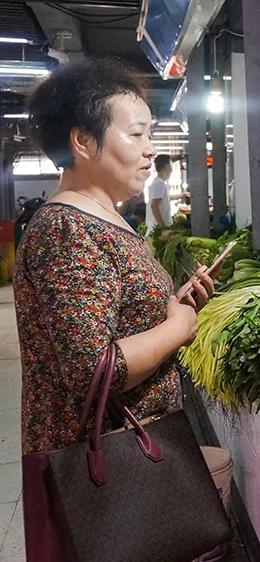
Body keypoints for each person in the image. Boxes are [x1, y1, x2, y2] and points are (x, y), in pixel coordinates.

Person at [14, 58, 214, 460]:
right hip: (104, 462)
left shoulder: (102, 217)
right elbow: (93, 369)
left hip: (132, 443)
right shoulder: (67, 230)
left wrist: (170, 306)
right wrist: (178, 327)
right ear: (83, 141)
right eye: (137, 134)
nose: (151, 149)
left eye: (150, 134)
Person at [146, 153, 176, 230]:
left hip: (155, 227)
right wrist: (162, 227)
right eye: (171, 166)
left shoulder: (158, 182)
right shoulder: (159, 184)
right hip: (157, 229)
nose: (171, 170)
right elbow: (154, 205)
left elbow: (164, 199)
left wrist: (181, 195)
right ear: (167, 167)